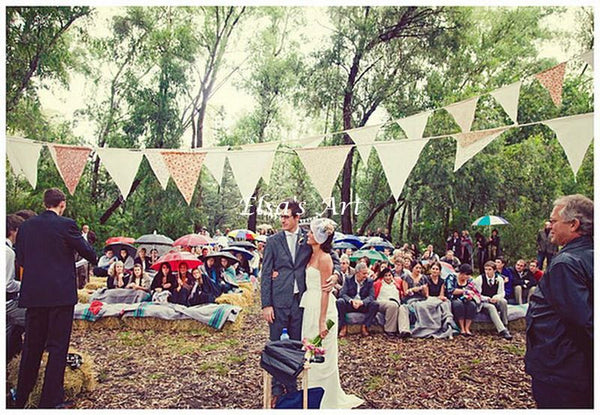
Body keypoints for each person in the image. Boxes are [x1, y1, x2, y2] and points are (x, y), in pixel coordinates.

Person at [15, 188, 97, 409]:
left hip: (34, 295)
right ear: (62, 204)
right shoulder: (66, 224)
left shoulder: (26, 226)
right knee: (57, 347)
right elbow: (89, 253)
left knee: (32, 347)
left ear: (44, 204)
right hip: (60, 296)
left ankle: (21, 396)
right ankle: (50, 400)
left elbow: (20, 258)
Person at [260, 199, 338, 404]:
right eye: (281, 216)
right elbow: (266, 273)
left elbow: (332, 259)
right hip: (277, 302)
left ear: (297, 218)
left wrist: (336, 276)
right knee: (276, 346)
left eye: (286, 216)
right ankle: (276, 389)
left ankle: (292, 390)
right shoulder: (273, 242)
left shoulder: (310, 238)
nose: (282, 220)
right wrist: (266, 304)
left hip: (301, 303)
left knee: (297, 348)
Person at [525, 194, 593, 408]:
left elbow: (583, 323)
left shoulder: (566, 264)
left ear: (573, 224)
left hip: (562, 372)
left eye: (554, 221)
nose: (549, 226)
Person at [300, 217, 364, 408]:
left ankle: (325, 398)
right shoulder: (309, 254)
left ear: (319, 237)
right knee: (309, 351)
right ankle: (309, 392)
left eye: (311, 232)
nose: (308, 235)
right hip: (309, 305)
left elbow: (326, 291)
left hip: (322, 307)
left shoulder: (325, 258)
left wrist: (322, 322)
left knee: (322, 354)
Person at [336, 262, 379, 338]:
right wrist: (351, 301)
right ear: (357, 273)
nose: (366, 276)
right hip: (351, 304)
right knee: (340, 302)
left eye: (366, 273)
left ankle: (365, 326)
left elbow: (372, 296)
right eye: (364, 273)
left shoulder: (369, 281)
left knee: (375, 304)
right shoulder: (348, 279)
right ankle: (343, 326)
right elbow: (342, 294)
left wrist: (362, 302)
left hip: (362, 304)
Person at [473, 261, 513, 340]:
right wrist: (486, 298)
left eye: (489, 269)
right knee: (491, 307)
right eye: (486, 269)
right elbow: (477, 294)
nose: (487, 272)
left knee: (503, 301)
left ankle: (505, 323)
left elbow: (502, 292)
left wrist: (496, 297)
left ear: (494, 270)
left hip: (494, 300)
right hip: (483, 302)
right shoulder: (480, 279)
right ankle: (502, 330)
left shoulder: (499, 279)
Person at [6, 214, 26, 361]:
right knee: (38, 322)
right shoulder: (8, 252)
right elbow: (7, 284)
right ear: (14, 231)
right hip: (7, 303)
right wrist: (27, 285)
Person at [373, 267, 410, 338]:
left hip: (396, 303)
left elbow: (402, 292)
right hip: (382, 302)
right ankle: (390, 330)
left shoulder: (396, 283)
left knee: (403, 308)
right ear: (383, 277)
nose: (388, 277)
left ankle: (404, 330)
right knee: (392, 305)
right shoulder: (378, 283)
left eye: (389, 275)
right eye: (386, 276)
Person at [445, 264, 479, 337]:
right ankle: (462, 328)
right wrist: (464, 291)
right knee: (458, 305)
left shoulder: (469, 280)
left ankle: (467, 328)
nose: (467, 277)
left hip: (466, 298)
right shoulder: (452, 277)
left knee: (472, 305)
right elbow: (450, 290)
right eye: (465, 275)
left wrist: (470, 296)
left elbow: (473, 290)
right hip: (454, 298)